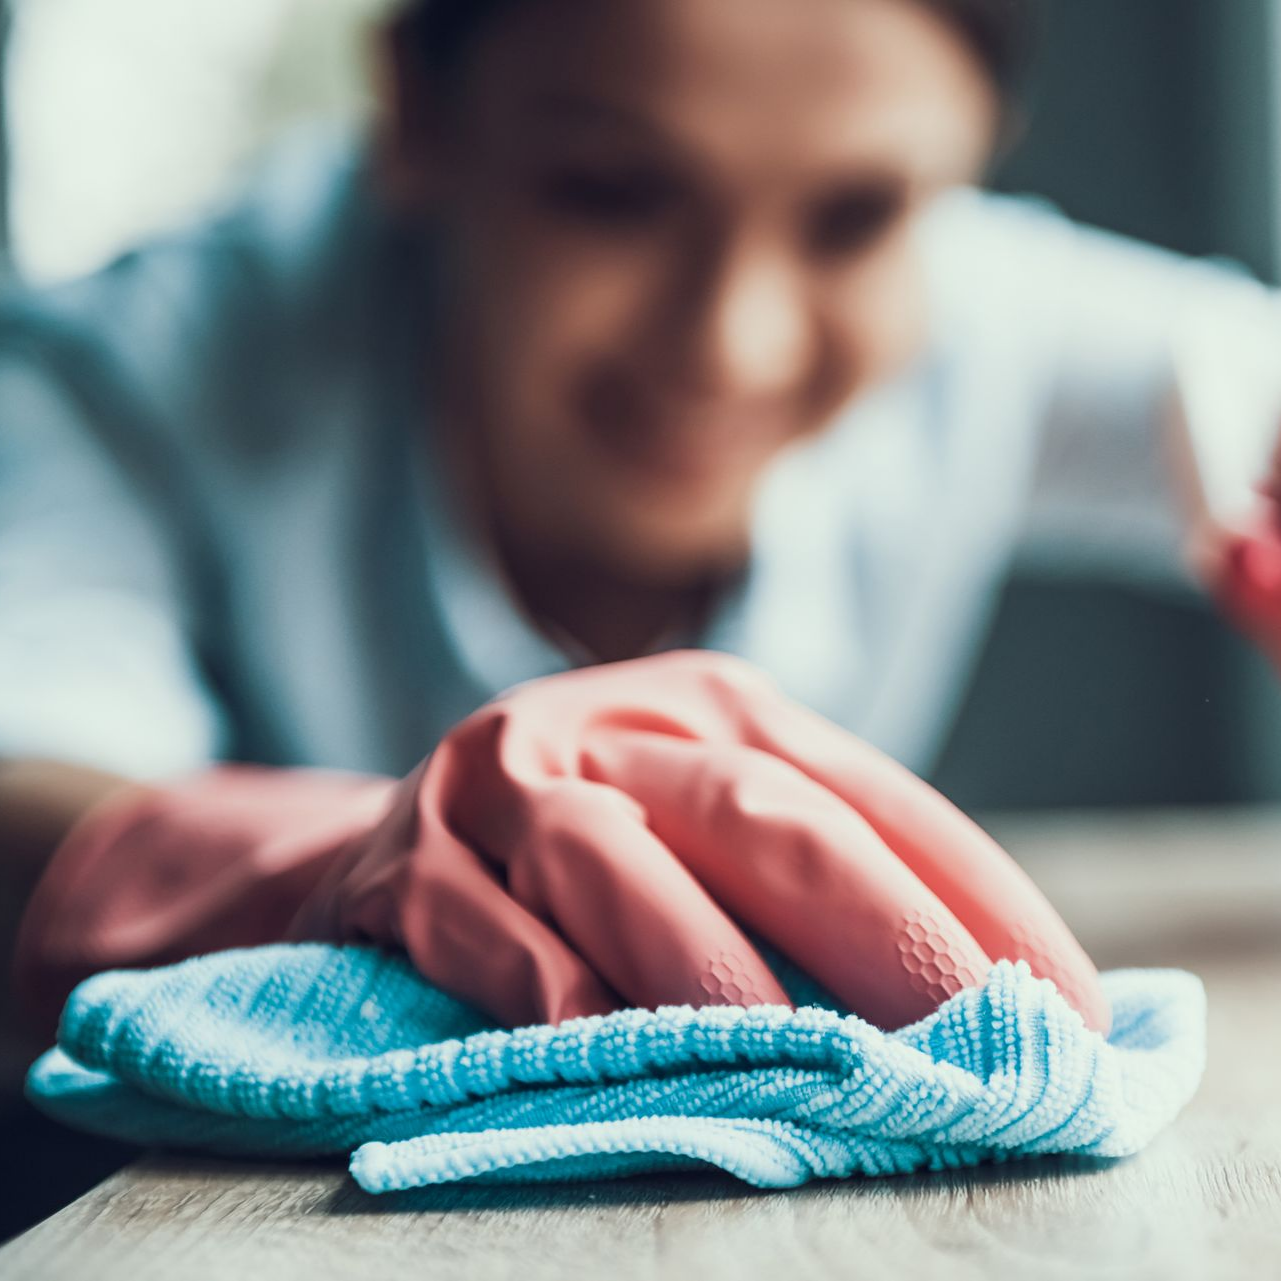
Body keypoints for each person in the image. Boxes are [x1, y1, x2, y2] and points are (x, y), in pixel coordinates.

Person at [2, 0, 1280, 1037]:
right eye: (612, 191)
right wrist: (354, 867)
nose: (736, 343)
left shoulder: (974, 307)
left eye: (859, 218)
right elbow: (24, 783)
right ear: (418, 113)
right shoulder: (132, 374)